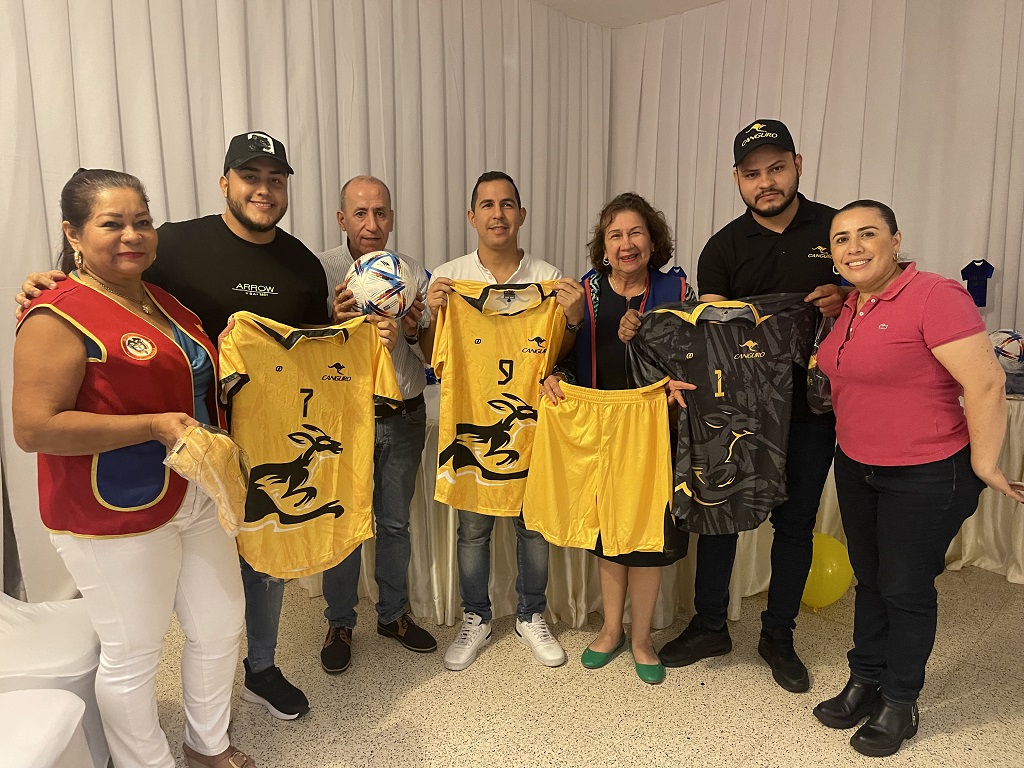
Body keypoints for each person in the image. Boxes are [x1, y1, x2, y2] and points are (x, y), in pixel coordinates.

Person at [14, 132, 394, 721]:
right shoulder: (176, 245)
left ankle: (260, 668)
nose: (263, 190)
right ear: (226, 183)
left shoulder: (300, 261)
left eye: (275, 179)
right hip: (182, 446)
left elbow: (313, 349)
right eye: (251, 177)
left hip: (271, 435)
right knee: (150, 625)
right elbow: (110, 281)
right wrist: (51, 282)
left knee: (260, 561)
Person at [12, 169, 253, 768]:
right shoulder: (55, 315)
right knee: (134, 651)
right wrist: (151, 425)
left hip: (194, 492)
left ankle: (207, 744)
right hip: (111, 509)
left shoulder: (161, 298)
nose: (132, 235)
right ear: (73, 233)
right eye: (111, 223)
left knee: (221, 626)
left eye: (141, 221)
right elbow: (33, 428)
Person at [813, 200, 1024, 757]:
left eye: (866, 235)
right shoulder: (853, 305)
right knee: (871, 578)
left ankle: (900, 702)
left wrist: (985, 464)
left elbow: (985, 383)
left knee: (904, 590)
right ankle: (865, 681)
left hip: (927, 472)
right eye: (840, 239)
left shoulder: (935, 295)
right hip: (859, 466)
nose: (853, 247)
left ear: (895, 239)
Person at [648, 118, 845, 693]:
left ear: (798, 165)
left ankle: (777, 636)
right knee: (719, 513)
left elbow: (875, 289)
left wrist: (844, 299)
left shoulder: (835, 230)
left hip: (811, 412)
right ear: (737, 179)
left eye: (777, 168)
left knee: (797, 523)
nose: (767, 182)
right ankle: (710, 624)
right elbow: (710, 331)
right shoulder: (724, 245)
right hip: (737, 411)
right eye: (753, 173)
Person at [423, 170, 584, 671]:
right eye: (488, 205)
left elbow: (562, 356)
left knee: (532, 526)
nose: (498, 213)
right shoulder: (450, 278)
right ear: (472, 216)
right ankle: (477, 616)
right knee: (472, 528)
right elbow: (435, 359)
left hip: (533, 429)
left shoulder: (547, 276)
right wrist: (431, 315)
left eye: (508, 204)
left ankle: (531, 613)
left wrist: (573, 317)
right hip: (471, 425)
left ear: (521, 214)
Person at [540, 192, 694, 684]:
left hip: (657, 430)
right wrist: (557, 370)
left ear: (653, 241)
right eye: (615, 235)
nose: (626, 244)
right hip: (600, 431)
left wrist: (651, 344)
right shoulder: (585, 290)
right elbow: (560, 353)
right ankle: (611, 630)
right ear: (603, 247)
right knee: (608, 535)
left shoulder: (676, 288)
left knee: (647, 537)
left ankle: (643, 637)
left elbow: (693, 354)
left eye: (635, 233)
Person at [315, 175, 436, 674]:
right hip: (346, 417)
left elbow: (432, 353)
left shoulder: (411, 271)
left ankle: (394, 615)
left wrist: (410, 325)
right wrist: (334, 322)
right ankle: (340, 620)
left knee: (394, 522)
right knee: (343, 524)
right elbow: (301, 348)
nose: (372, 223)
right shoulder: (320, 270)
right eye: (360, 214)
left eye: (381, 213)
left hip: (404, 412)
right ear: (342, 219)